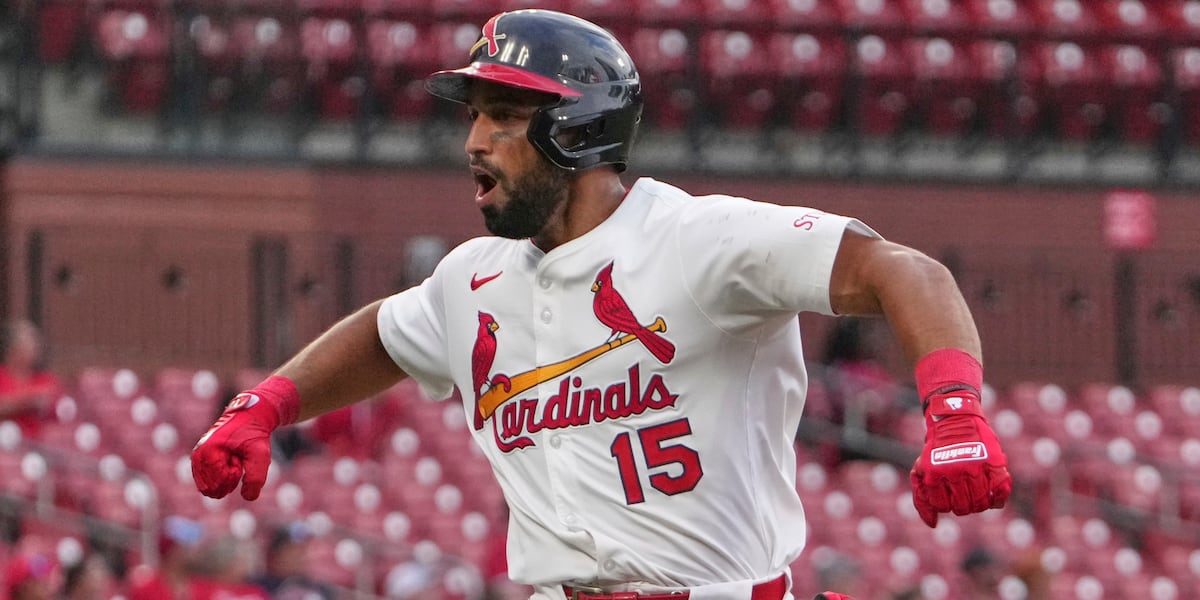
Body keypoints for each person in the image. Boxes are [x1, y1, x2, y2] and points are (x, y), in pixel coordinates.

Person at [191, 9, 1011, 600]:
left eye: (503, 116)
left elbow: (907, 272)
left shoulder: (699, 239)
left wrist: (954, 412)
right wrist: (267, 405)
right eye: (474, 117)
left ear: (578, 129)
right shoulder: (472, 279)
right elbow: (383, 333)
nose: (473, 141)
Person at [0, 319, 60, 440]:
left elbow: (60, 408)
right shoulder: (2, 375)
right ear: (13, 348)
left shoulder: (46, 379)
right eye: (30, 344)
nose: (36, 349)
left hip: (38, 444)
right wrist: (28, 402)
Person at [250, 523, 334, 600]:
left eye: (303, 549)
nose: (300, 556)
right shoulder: (256, 588)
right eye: (293, 550)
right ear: (277, 553)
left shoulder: (319, 589)